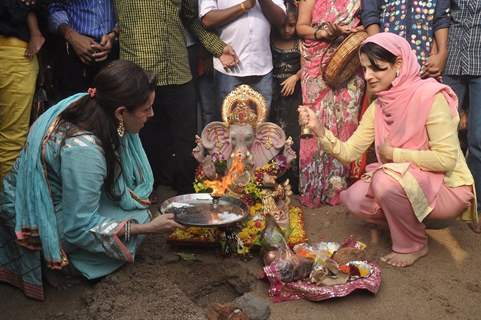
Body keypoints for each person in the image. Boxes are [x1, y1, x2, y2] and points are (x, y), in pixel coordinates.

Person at [0, 60, 183, 300]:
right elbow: (78, 226)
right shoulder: (84, 150)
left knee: (133, 210)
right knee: (136, 224)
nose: (151, 114)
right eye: (146, 109)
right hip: (37, 213)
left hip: (60, 197)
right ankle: (62, 263)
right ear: (120, 112)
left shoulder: (93, 104)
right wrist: (146, 229)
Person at [299, 32, 477, 267]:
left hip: (447, 189)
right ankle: (407, 220)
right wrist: (320, 130)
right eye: (364, 69)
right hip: (409, 181)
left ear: (399, 64)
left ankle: (413, 244)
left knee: (383, 181)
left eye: (377, 68)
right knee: (354, 198)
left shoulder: (430, 97)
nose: (368, 76)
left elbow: (445, 160)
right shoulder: (380, 106)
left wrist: (394, 154)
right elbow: (350, 152)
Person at [114, 0, 239, 196]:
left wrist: (217, 47)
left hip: (177, 69)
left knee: (185, 138)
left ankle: (187, 193)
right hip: (140, 69)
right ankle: (143, 192)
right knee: (143, 137)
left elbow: (191, 19)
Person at [296, 0, 365, 207]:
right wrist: (322, 33)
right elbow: (301, 27)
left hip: (348, 63)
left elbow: (369, 24)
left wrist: (354, 32)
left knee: (346, 123)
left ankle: (339, 190)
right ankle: (313, 189)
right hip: (316, 64)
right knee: (312, 124)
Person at [199, 0, 287, 114]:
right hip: (228, 68)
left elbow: (280, 20)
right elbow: (207, 19)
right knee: (228, 126)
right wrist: (243, 6)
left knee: (260, 126)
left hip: (262, 67)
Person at [443, 0, 481, 233]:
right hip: (452, 61)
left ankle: (474, 205)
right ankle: (442, 199)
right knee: (442, 134)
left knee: (478, 141)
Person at [0, 0, 45, 191]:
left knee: (12, 138)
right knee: (12, 138)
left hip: (16, 51)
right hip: (14, 52)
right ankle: (9, 209)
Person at [360, 0, 450, 79]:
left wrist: (442, 53)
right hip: (388, 59)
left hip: (424, 63)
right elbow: (370, 15)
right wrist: (379, 50)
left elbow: (441, 18)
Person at [48, 0, 119, 99]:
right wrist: (71, 35)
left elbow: (128, 10)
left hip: (112, 48)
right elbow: (55, 8)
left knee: (110, 102)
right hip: (74, 50)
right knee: (76, 105)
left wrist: (114, 34)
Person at [270, 1, 302, 193]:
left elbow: (308, 64)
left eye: (291, 25)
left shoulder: (300, 42)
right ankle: (275, 181)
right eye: (283, 25)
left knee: (293, 137)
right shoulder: (270, 40)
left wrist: (295, 77)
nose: (287, 30)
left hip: (294, 97)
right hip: (274, 97)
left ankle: (294, 183)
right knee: (274, 137)